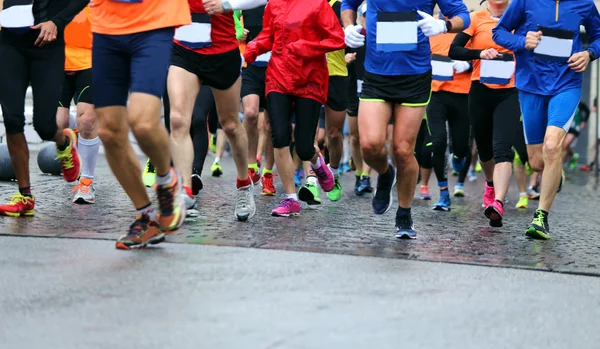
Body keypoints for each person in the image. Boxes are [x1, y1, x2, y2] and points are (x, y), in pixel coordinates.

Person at [341, 0, 470, 238]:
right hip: (376, 74)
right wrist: (348, 26)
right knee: (369, 145)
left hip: (415, 77)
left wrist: (444, 25)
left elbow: (464, 15)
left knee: (403, 150)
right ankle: (385, 173)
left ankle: (404, 213)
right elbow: (348, 3)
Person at [492, 0, 600, 239]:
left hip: (566, 83)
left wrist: (589, 53)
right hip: (531, 85)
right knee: (537, 162)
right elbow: (498, 32)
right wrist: (522, 42)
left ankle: (541, 217)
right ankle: (555, 171)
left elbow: (598, 36)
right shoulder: (525, 1)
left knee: (552, 146)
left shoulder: (584, 3)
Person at [91, 0, 192, 250]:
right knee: (108, 131)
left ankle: (167, 180)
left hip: (154, 21)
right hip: (107, 25)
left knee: (143, 123)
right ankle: (146, 218)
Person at [167, 0, 269, 222]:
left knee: (231, 124)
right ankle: (186, 190)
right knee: (178, 120)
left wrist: (228, 4)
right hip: (183, 48)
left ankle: (244, 184)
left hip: (222, 52)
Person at [244, 0, 345, 217]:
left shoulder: (318, 5)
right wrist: (253, 47)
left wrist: (307, 47)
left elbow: (337, 39)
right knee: (279, 136)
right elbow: (269, 35)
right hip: (278, 77)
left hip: (309, 80)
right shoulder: (274, 4)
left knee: (304, 146)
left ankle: (319, 166)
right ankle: (291, 199)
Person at [0, 0, 88, 217]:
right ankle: (25, 197)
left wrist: (57, 22)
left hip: (47, 43)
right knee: (12, 119)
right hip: (9, 42)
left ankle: (64, 142)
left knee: (45, 125)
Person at [449, 0, 528, 228]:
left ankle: (499, 203)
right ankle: (491, 184)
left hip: (510, 92)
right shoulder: (477, 18)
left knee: (502, 148)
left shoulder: (521, 19)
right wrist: (480, 53)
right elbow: (454, 49)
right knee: (484, 149)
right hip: (480, 91)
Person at [425, 12, 472, 211]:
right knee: (438, 141)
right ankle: (443, 193)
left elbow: (485, 53)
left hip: (463, 95)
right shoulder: (430, 25)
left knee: (461, 148)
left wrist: (468, 64)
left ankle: (459, 155)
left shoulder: (469, 23)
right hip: (436, 94)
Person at [56, 5, 100, 204]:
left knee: (88, 120)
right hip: (56, 59)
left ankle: (86, 182)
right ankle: (72, 127)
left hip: (93, 58)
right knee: (56, 124)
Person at [236, 7, 277, 196]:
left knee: (271, 125)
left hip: (276, 67)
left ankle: (268, 173)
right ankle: (251, 165)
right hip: (251, 65)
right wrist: (235, 33)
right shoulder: (245, 3)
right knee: (250, 113)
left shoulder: (279, 3)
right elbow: (226, 19)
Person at [345, 5, 373, 197]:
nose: (366, 19)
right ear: (358, 17)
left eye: (370, 15)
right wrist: (345, 57)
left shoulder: (381, 36)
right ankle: (358, 173)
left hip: (373, 91)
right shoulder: (352, 36)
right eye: (363, 16)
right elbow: (337, 56)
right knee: (355, 137)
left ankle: (366, 176)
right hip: (352, 90)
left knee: (369, 139)